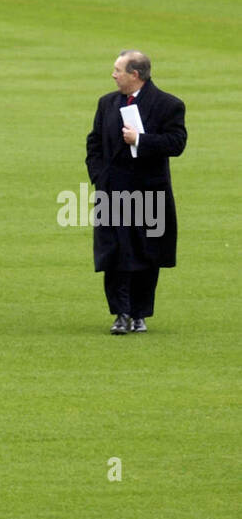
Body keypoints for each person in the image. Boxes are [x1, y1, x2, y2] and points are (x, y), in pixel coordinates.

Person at [86, 50, 187, 335]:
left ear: (135, 75)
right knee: (114, 253)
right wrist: (98, 177)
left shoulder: (169, 105)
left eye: (118, 70)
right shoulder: (107, 103)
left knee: (146, 254)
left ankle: (140, 313)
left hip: (149, 194)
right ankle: (121, 312)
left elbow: (177, 143)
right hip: (112, 192)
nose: (113, 75)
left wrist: (140, 140)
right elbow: (94, 143)